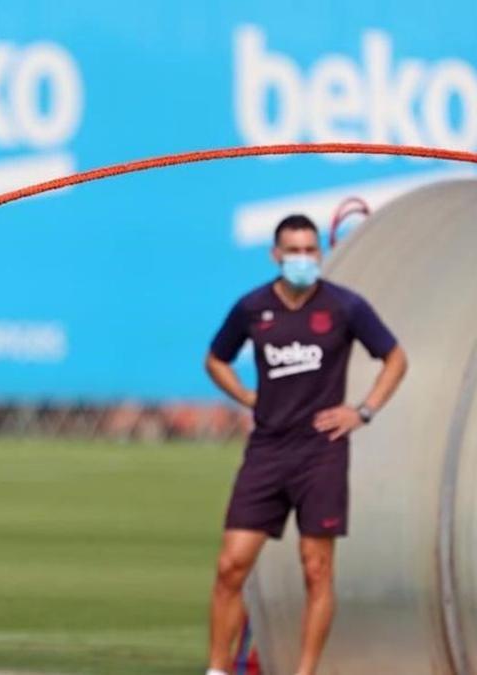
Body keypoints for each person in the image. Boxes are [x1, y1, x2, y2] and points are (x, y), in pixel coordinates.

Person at [203, 214, 408, 675]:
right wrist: (247, 396)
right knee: (231, 566)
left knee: (316, 569)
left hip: (321, 453)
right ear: (276, 256)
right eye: (293, 251)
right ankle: (217, 669)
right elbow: (216, 360)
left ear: (320, 254)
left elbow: (395, 358)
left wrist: (363, 411)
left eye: (309, 250)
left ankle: (306, 671)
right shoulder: (252, 308)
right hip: (268, 449)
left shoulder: (345, 307)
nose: (302, 259)